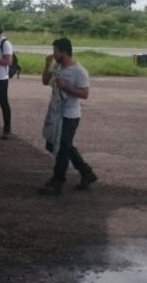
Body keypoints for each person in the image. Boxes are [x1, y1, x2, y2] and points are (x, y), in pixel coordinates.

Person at [38, 37, 97, 195]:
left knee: (63, 148)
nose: (53, 54)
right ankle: (86, 172)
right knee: (54, 145)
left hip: (69, 115)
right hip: (55, 112)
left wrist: (67, 87)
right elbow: (45, 81)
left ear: (63, 52)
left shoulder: (79, 71)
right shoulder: (57, 68)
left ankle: (58, 181)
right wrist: (47, 65)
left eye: (55, 51)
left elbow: (84, 94)